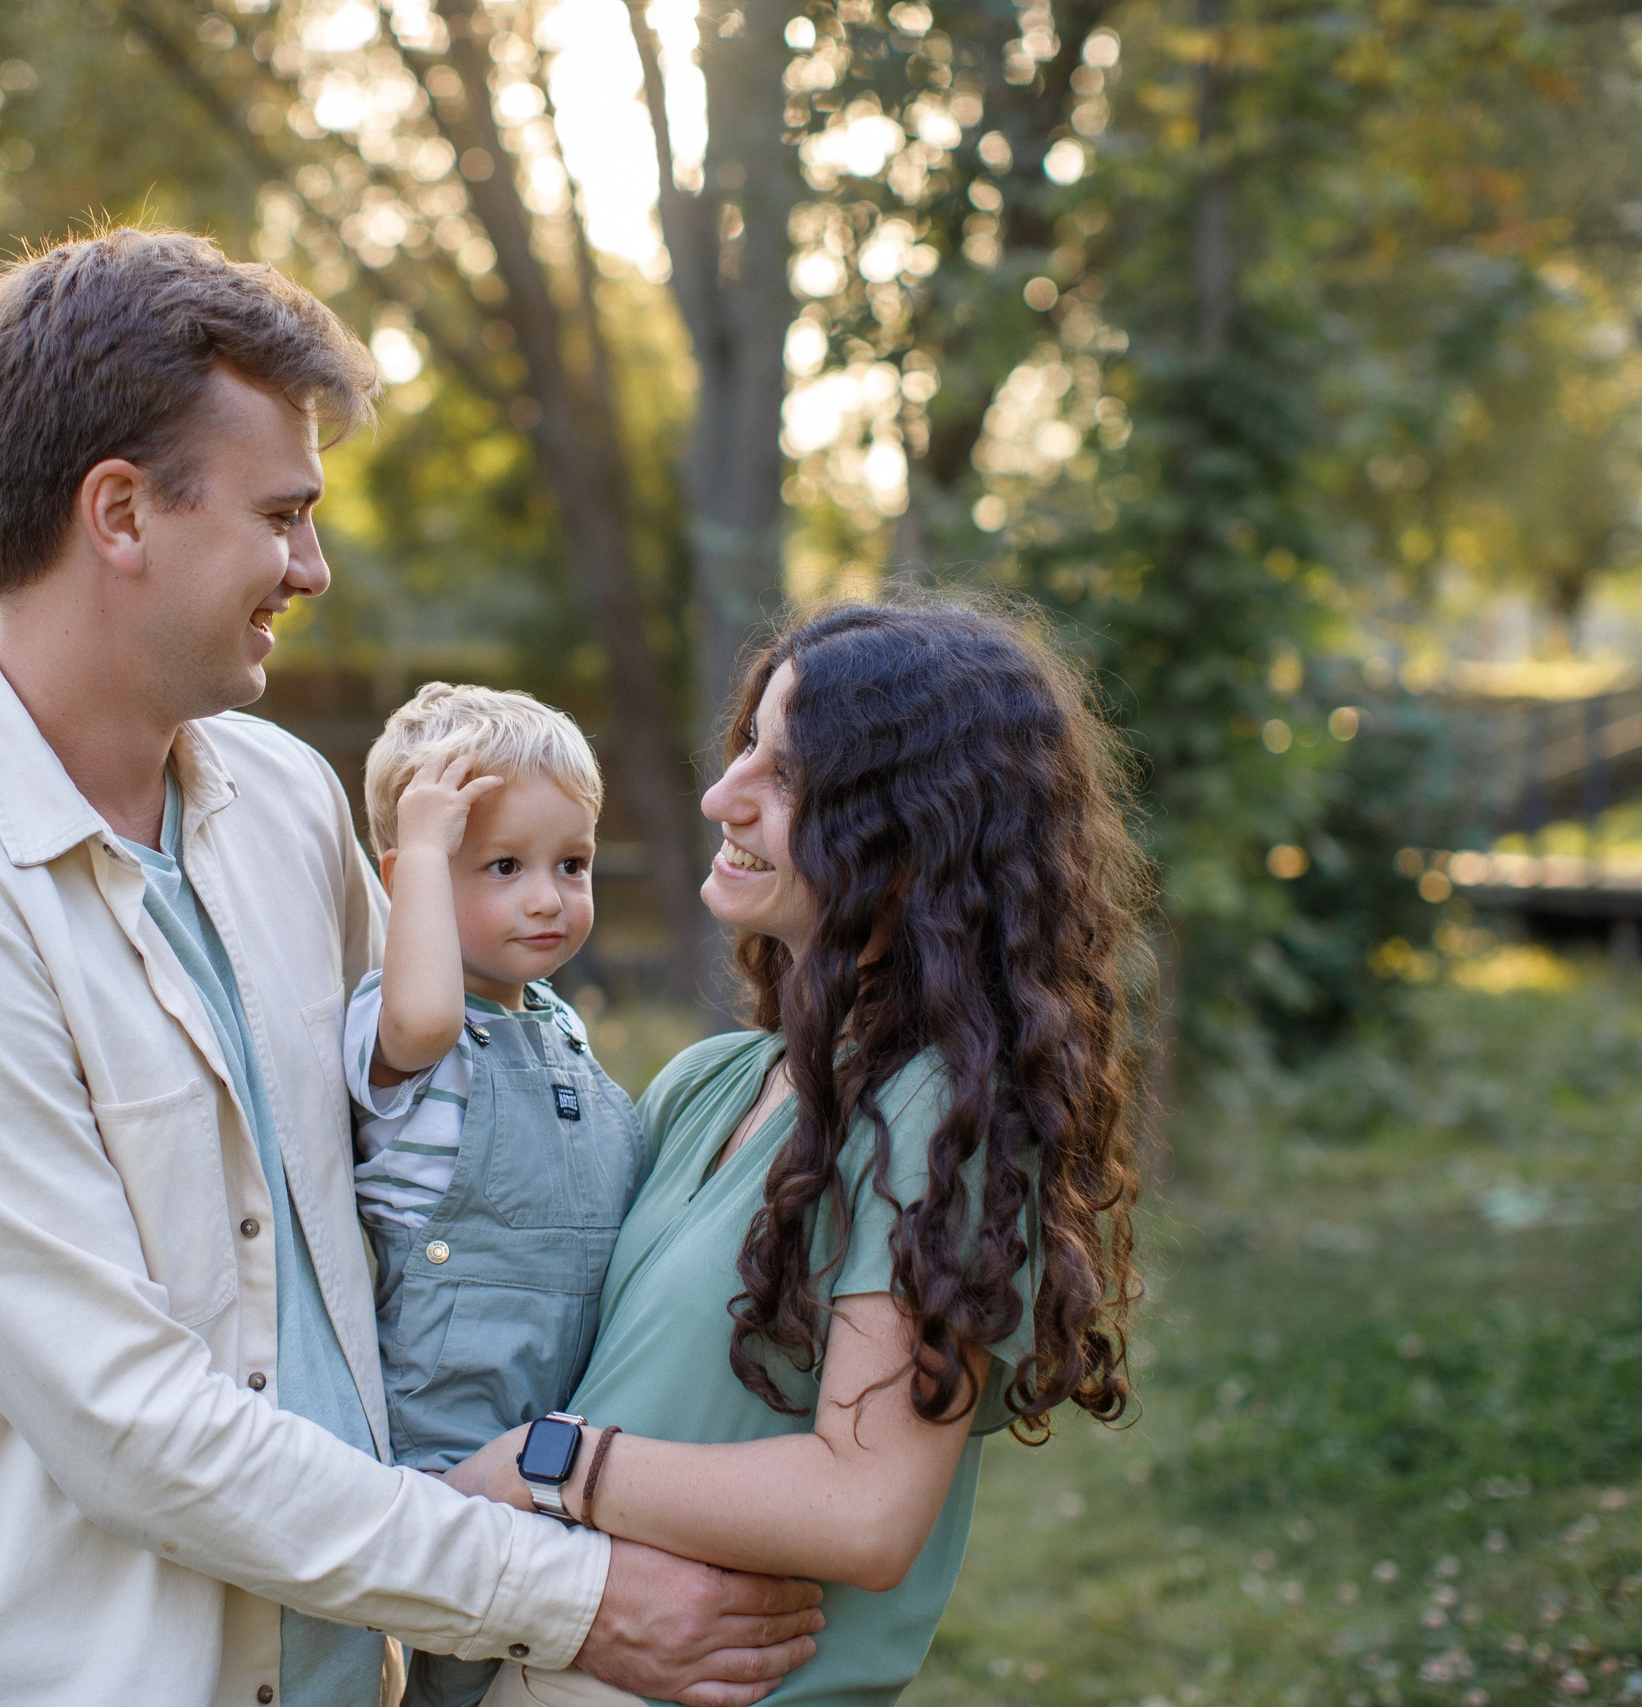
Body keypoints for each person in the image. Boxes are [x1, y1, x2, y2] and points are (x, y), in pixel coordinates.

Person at [0, 227, 821, 1707]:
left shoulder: (276, 799)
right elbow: (138, 1425)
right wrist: (573, 1595)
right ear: (123, 514)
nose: (312, 567)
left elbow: (430, 1140)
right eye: (284, 514)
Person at [447, 600, 1150, 1707]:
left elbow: (862, 1509)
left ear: (911, 834)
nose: (722, 796)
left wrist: (546, 1465)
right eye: (743, 751)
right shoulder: (709, 1084)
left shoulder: (936, 1119)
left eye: (785, 778)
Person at [342, 684, 651, 1707]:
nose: (547, 898)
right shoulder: (405, 1030)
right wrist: (422, 855)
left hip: (559, 1438)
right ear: (412, 883)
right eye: (503, 867)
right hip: (440, 1453)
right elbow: (425, 1019)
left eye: (572, 863)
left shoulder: (557, 1029)